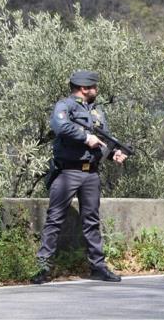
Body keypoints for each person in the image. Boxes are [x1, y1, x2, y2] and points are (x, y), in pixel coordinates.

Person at [31, 71, 128, 284]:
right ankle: (43, 266)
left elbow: (101, 140)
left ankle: (98, 267)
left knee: (92, 221)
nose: (97, 90)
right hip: (68, 172)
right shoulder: (64, 106)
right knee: (55, 219)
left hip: (91, 173)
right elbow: (60, 126)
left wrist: (113, 154)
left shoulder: (97, 111)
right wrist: (85, 137)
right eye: (94, 87)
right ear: (84, 89)